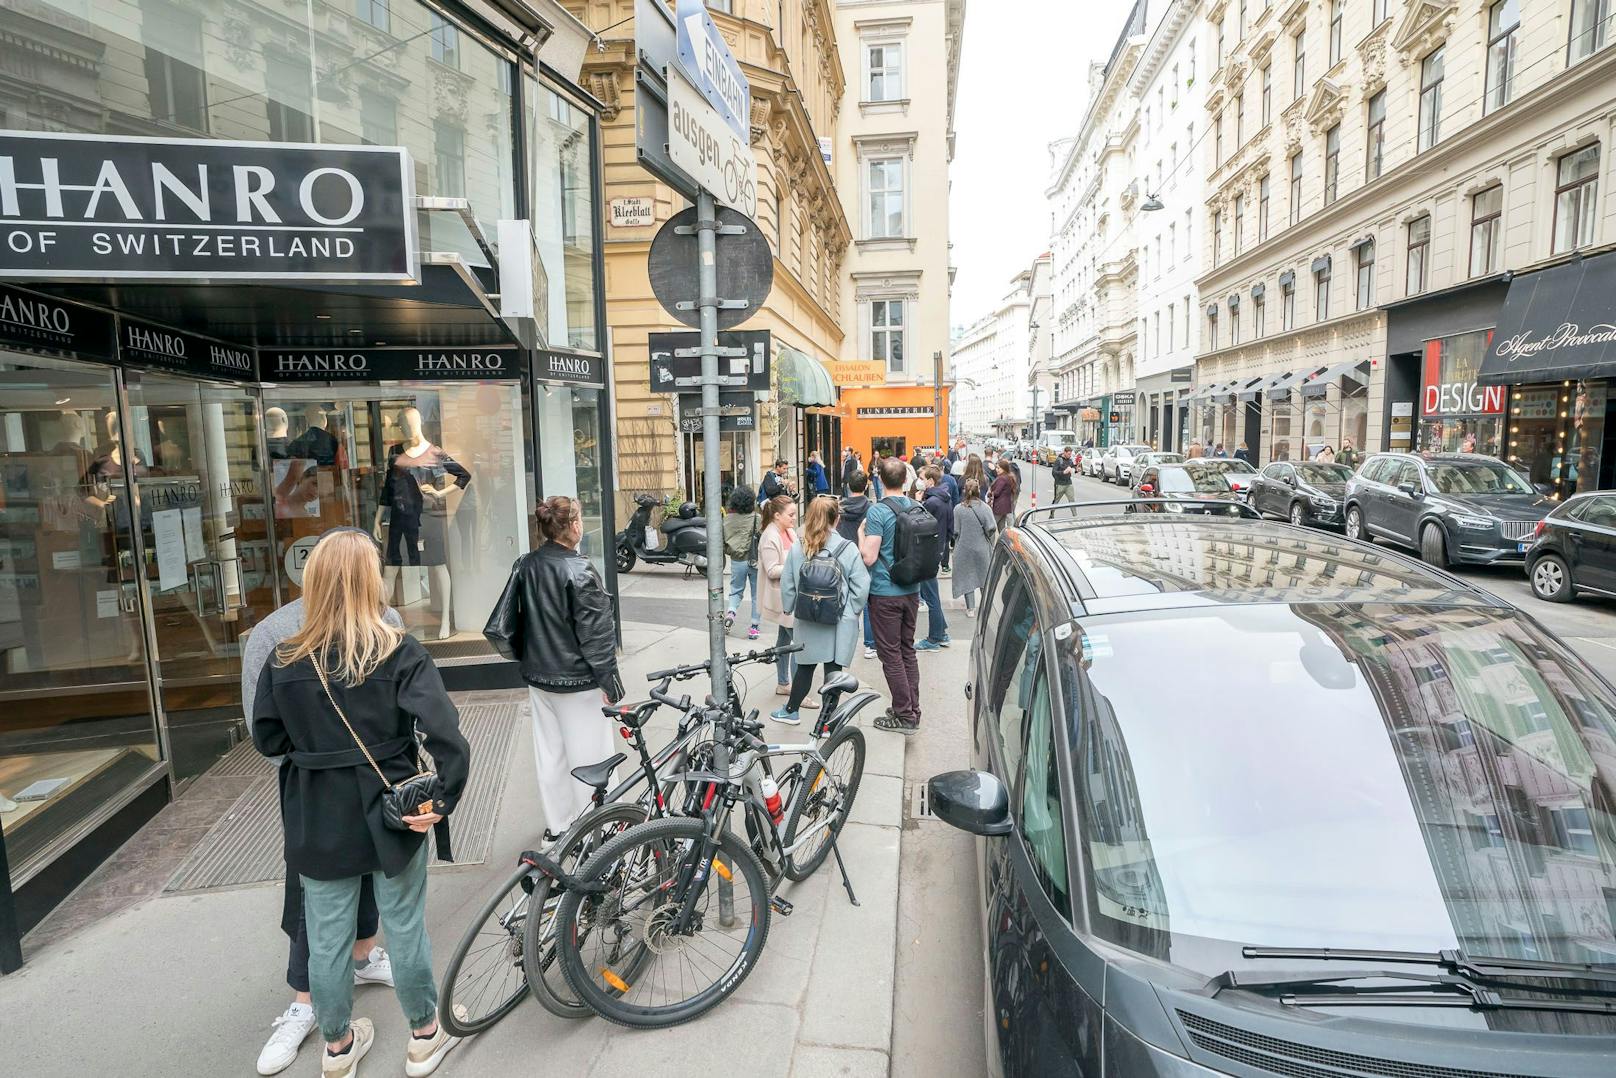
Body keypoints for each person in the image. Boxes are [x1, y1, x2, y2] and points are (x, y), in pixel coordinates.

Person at [252, 530, 470, 1078]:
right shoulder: (399, 650)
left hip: (318, 810)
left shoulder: (283, 660)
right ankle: (424, 1036)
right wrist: (442, 798)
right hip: (392, 804)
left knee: (326, 934)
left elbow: (268, 739)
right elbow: (447, 735)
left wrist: (316, 753)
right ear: (370, 580)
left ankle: (338, 1047)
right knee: (404, 925)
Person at [243, 529, 401, 1077]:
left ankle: (362, 956)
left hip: (375, 779)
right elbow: (263, 731)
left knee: (377, 870)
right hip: (312, 787)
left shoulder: (389, 622)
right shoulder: (274, 635)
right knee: (311, 892)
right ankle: (304, 1001)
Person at [491, 496, 623, 843]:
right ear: (574, 525)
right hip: (577, 680)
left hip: (539, 676)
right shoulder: (579, 569)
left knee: (550, 753)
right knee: (591, 756)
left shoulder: (527, 563)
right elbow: (596, 637)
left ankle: (560, 827)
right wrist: (610, 682)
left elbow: (512, 622)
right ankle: (599, 831)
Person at [773, 496, 871, 724]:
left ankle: (791, 711)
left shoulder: (800, 547)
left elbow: (788, 582)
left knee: (805, 668)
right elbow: (862, 585)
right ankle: (826, 722)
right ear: (836, 519)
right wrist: (851, 611)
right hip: (838, 620)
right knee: (834, 671)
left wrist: (790, 607)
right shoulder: (848, 548)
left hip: (808, 617)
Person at [862, 457, 923, 734]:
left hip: (885, 592)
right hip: (912, 590)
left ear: (880, 479)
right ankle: (912, 707)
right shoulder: (917, 506)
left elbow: (869, 556)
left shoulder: (877, 512)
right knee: (907, 649)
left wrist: (862, 534)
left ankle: (903, 714)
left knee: (890, 653)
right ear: (905, 479)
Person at [758, 495, 803, 702]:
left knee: (784, 640)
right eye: (791, 514)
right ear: (777, 516)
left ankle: (784, 683)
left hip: (789, 596)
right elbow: (771, 569)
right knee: (799, 644)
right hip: (781, 599)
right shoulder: (770, 536)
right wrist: (797, 567)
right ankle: (797, 692)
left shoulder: (790, 532)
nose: (794, 518)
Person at [915, 468, 953, 651]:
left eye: (921, 478)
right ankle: (942, 632)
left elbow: (918, 524)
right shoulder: (945, 498)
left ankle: (934, 638)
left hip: (927, 552)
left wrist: (917, 503)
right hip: (938, 549)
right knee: (933, 594)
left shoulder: (931, 502)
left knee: (930, 597)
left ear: (930, 480)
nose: (919, 481)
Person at [722, 486, 762, 641]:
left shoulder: (726, 520)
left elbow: (723, 543)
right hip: (754, 560)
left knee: (736, 590)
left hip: (737, 560)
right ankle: (754, 627)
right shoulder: (756, 518)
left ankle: (731, 612)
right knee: (756, 594)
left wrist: (732, 551)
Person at [952, 479, 995, 617]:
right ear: (979, 490)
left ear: (965, 490)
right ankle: (985, 607)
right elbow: (991, 528)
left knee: (967, 578)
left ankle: (970, 609)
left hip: (964, 548)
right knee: (983, 577)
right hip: (981, 547)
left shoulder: (958, 509)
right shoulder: (985, 508)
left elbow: (956, 531)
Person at [989, 459, 1019, 530]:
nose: (997, 470)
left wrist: (990, 493)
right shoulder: (1008, 477)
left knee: (991, 527)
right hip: (1006, 507)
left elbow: (996, 493)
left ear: (1004, 469)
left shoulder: (1002, 479)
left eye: (999, 468)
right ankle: (1003, 540)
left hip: (999, 507)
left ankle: (990, 541)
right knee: (1001, 528)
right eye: (996, 468)